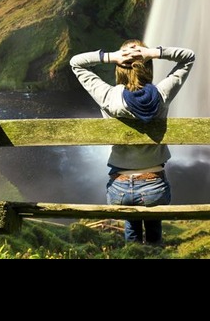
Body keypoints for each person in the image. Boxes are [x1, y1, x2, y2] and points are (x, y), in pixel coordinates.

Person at [69, 39, 195, 245]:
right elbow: (188, 57)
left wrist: (112, 56)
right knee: (154, 232)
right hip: (154, 186)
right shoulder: (162, 94)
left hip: (119, 189)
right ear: (147, 66)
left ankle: (133, 249)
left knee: (131, 227)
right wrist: (152, 53)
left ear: (119, 69)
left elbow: (76, 62)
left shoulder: (107, 96)